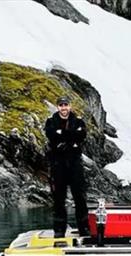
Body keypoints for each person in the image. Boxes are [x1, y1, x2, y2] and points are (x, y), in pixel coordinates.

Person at [44, 96, 89, 238]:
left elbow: (81, 135)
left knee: (80, 197)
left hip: (75, 163)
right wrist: (71, 138)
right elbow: (51, 135)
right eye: (61, 105)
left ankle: (84, 228)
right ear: (58, 107)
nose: (64, 108)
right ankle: (59, 230)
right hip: (58, 164)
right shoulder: (51, 121)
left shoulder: (79, 121)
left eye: (66, 105)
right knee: (59, 198)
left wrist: (62, 135)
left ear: (70, 106)